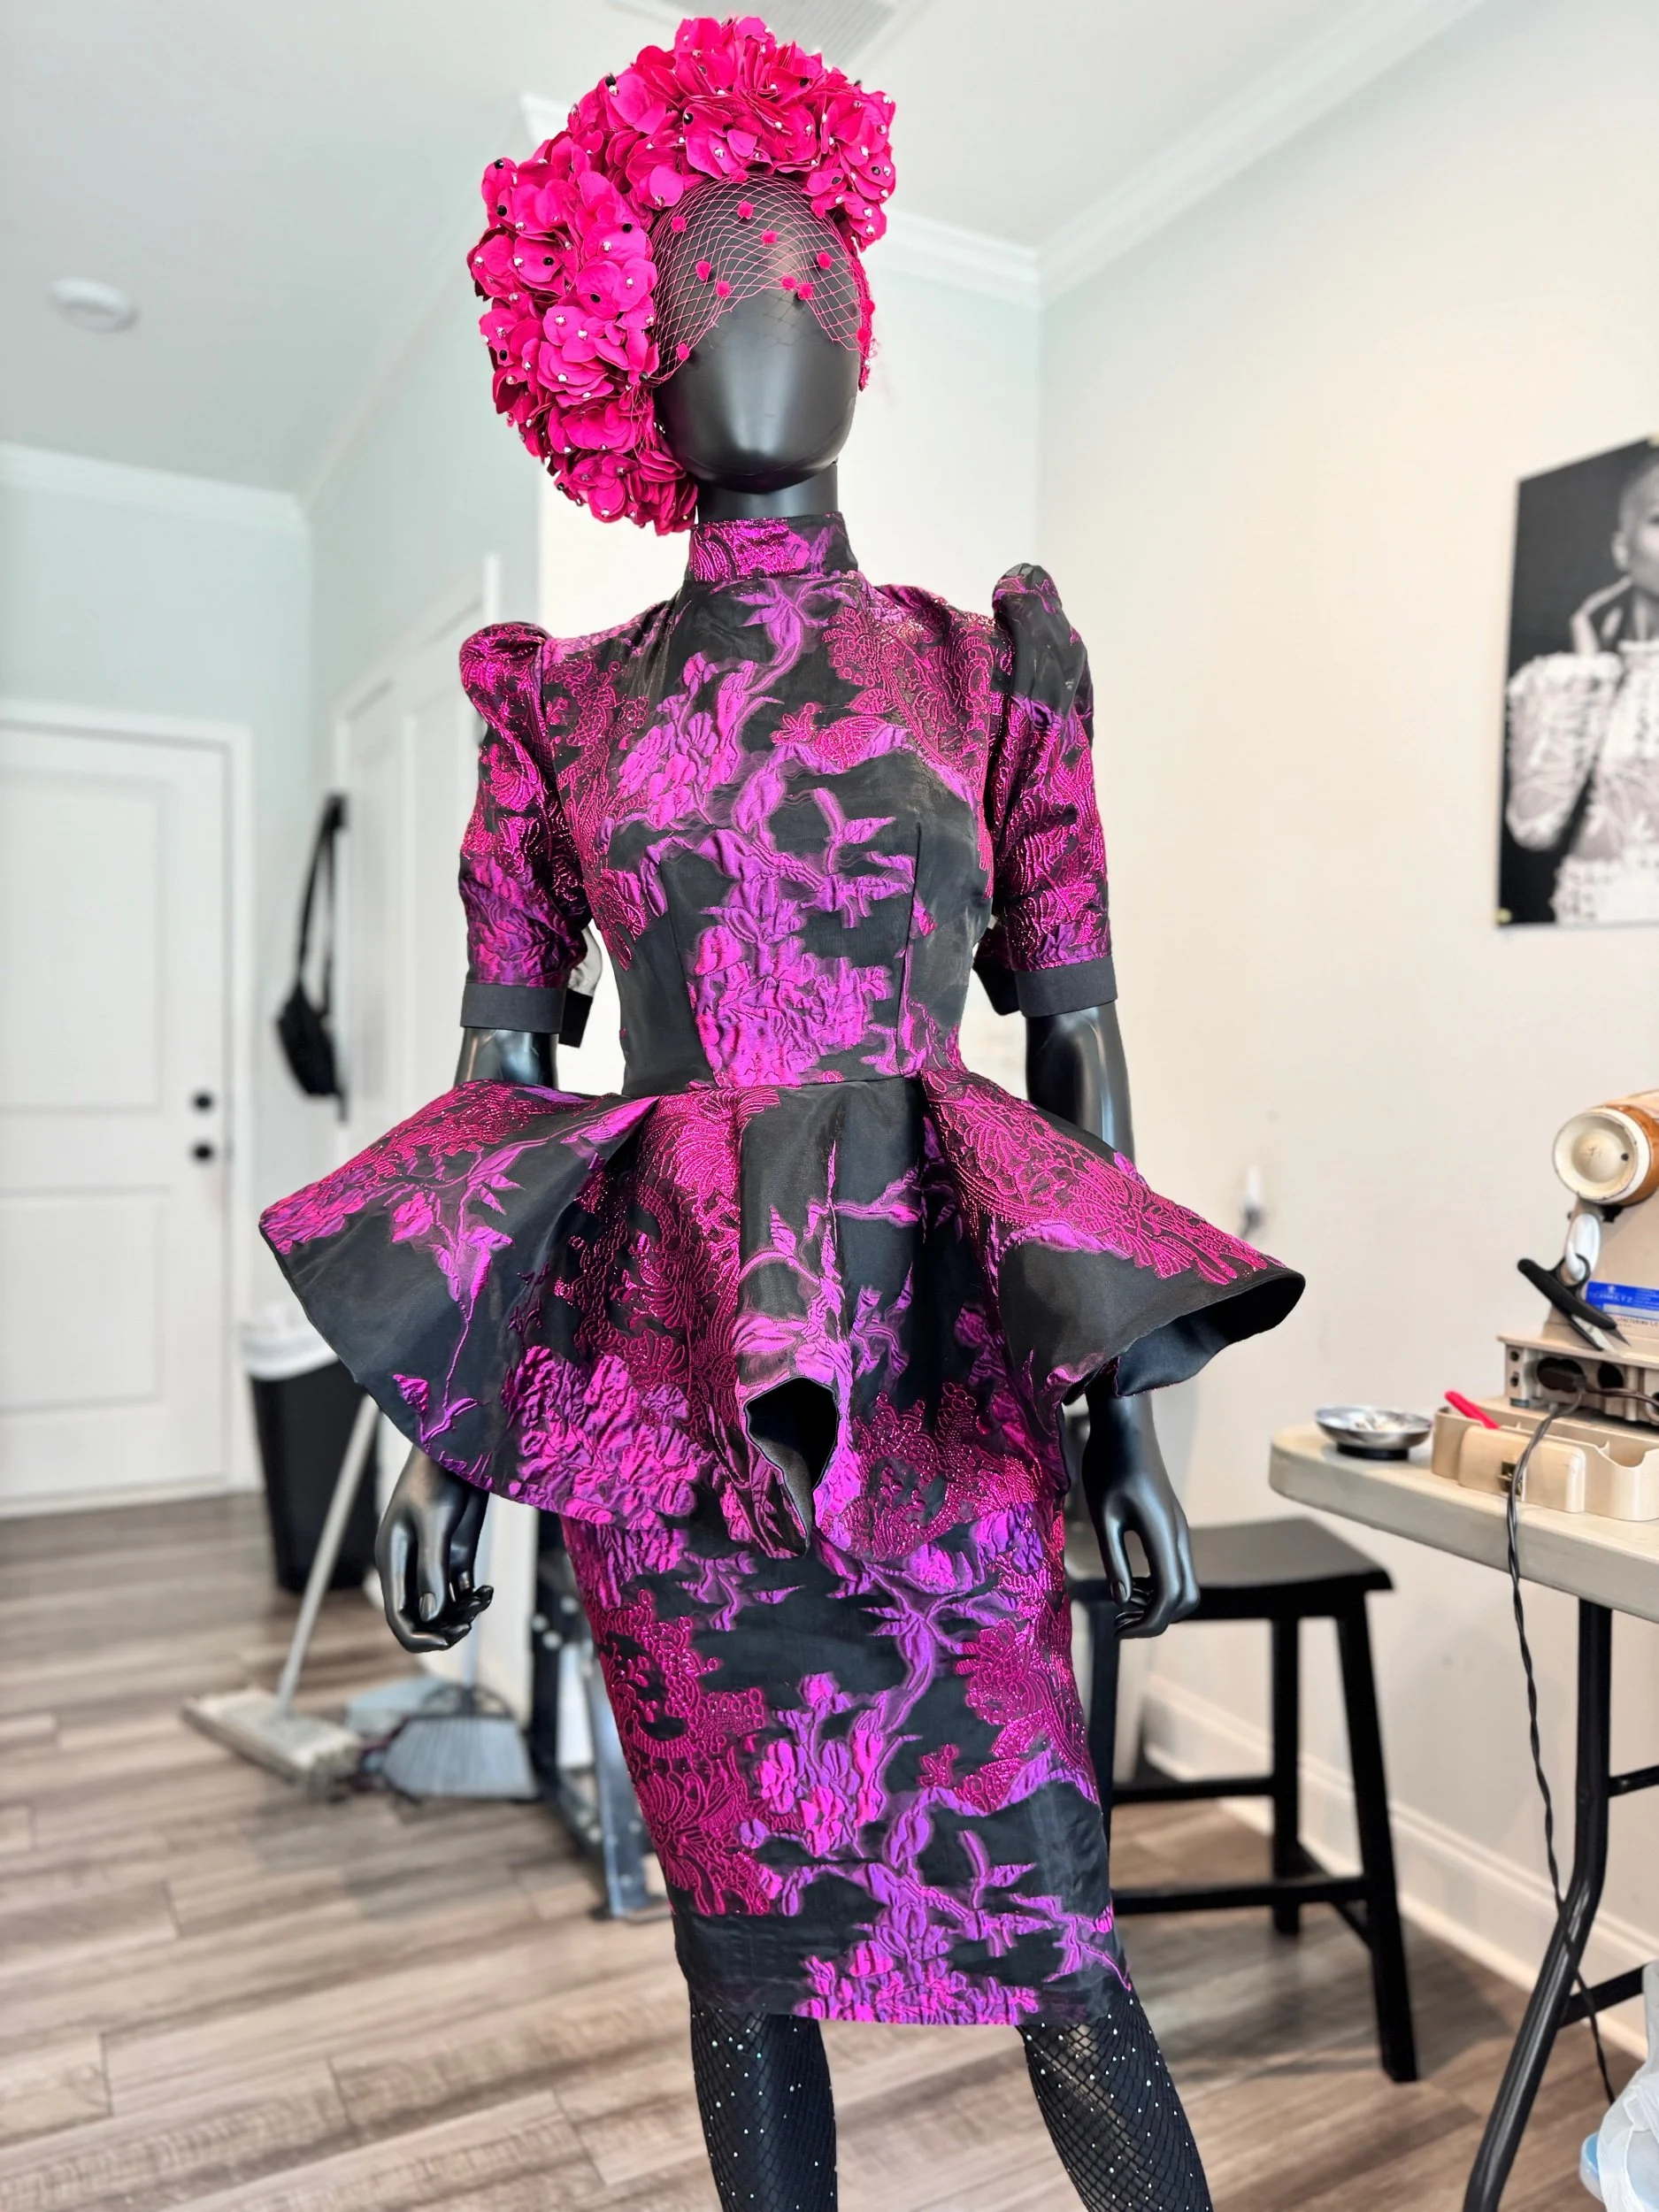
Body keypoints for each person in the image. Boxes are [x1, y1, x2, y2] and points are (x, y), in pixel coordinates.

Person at [261, 19, 1302, 2209]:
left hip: (946, 1378)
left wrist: (1119, 1423)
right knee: (740, 1967)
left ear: (860, 319)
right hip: (668, 1398)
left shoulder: (986, 670)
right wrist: (456, 1448)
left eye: (809, 267)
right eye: (711, 276)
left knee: (1058, 1951)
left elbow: (1077, 1057)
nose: (769, 308)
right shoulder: (557, 713)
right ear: (626, 356)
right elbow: (495, 1104)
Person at [1506, 452, 1659, 924]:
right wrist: (1587, 668)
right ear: (1622, 549)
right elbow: (1535, 826)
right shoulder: (1574, 677)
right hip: (1588, 932)